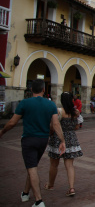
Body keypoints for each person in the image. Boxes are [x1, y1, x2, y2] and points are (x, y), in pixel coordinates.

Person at [0, 79, 65, 207]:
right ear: (43, 89)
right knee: (32, 166)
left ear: (30, 90)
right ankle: (25, 193)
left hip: (29, 139)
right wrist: (62, 140)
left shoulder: (24, 103)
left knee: (32, 168)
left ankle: (39, 201)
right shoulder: (51, 105)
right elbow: (55, 124)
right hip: (43, 140)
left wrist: (2, 132)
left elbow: (13, 122)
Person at [45, 92, 83, 197]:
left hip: (58, 139)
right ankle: (71, 188)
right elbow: (76, 127)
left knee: (54, 164)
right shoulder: (75, 112)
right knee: (70, 165)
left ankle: (50, 184)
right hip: (71, 139)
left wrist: (51, 133)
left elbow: (53, 126)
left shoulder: (59, 111)